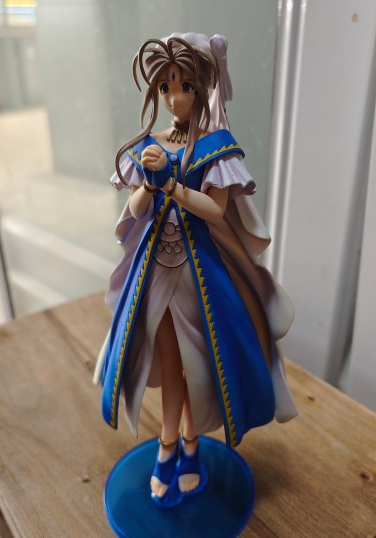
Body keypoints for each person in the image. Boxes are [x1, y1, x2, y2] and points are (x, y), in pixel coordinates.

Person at [94, 33, 298, 503]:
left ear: (202, 87)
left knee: (200, 362)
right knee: (170, 361)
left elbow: (216, 209)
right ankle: (171, 445)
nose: (175, 98)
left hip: (199, 273)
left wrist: (173, 186)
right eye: (165, 87)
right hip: (155, 269)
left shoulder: (216, 147)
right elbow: (135, 209)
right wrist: (150, 183)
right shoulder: (150, 144)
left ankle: (188, 443)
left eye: (185, 86)